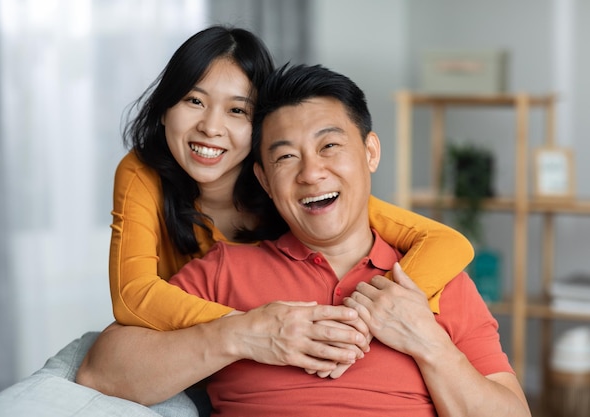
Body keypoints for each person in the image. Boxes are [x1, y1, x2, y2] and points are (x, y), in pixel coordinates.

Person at [78, 63, 530, 416]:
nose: (312, 173)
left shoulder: (434, 279)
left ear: (370, 152)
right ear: (265, 180)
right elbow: (101, 371)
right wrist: (245, 334)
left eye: (330, 146)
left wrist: (427, 342)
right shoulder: (224, 269)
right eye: (287, 157)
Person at [110, 24, 472, 338]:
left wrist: (366, 315)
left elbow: (446, 242)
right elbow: (132, 297)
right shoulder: (143, 172)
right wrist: (254, 329)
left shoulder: (293, 184)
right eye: (194, 101)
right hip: (197, 350)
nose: (211, 127)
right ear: (163, 110)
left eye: (237, 110)